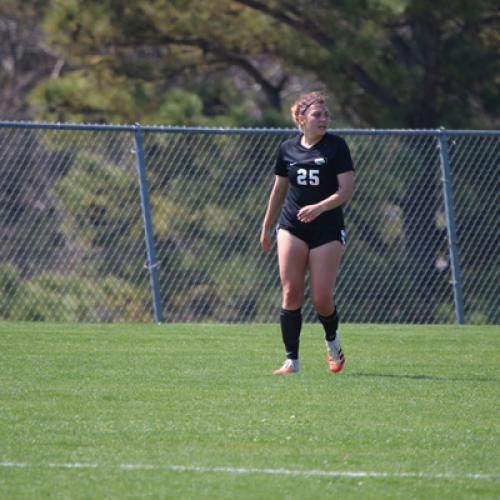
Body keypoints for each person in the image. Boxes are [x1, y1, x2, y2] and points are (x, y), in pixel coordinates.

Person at [260, 92, 355, 374]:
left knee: (321, 298)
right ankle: (292, 360)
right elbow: (279, 190)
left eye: (326, 115)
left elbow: (346, 191)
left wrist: (319, 207)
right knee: (291, 292)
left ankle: (332, 341)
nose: (324, 119)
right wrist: (266, 226)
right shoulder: (287, 148)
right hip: (292, 225)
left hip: (326, 227)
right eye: (317, 114)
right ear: (301, 119)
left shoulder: (337, 147)